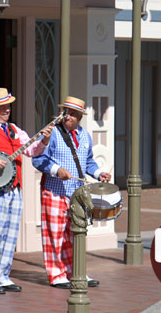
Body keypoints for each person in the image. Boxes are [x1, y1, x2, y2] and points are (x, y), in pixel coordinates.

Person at [0, 88, 53, 294]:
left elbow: (31, 151)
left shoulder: (16, 130)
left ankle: (3, 275)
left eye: (8, 105)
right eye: (2, 106)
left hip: (14, 186)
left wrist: (44, 140)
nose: (7, 109)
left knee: (10, 233)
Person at [32, 96, 111, 289]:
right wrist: (56, 170)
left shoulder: (84, 135)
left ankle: (77, 272)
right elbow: (38, 159)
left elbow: (88, 162)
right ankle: (57, 274)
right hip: (55, 191)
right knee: (55, 235)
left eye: (73, 114)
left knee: (76, 234)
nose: (69, 117)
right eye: (66, 112)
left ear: (80, 118)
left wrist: (99, 173)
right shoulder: (52, 134)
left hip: (77, 194)